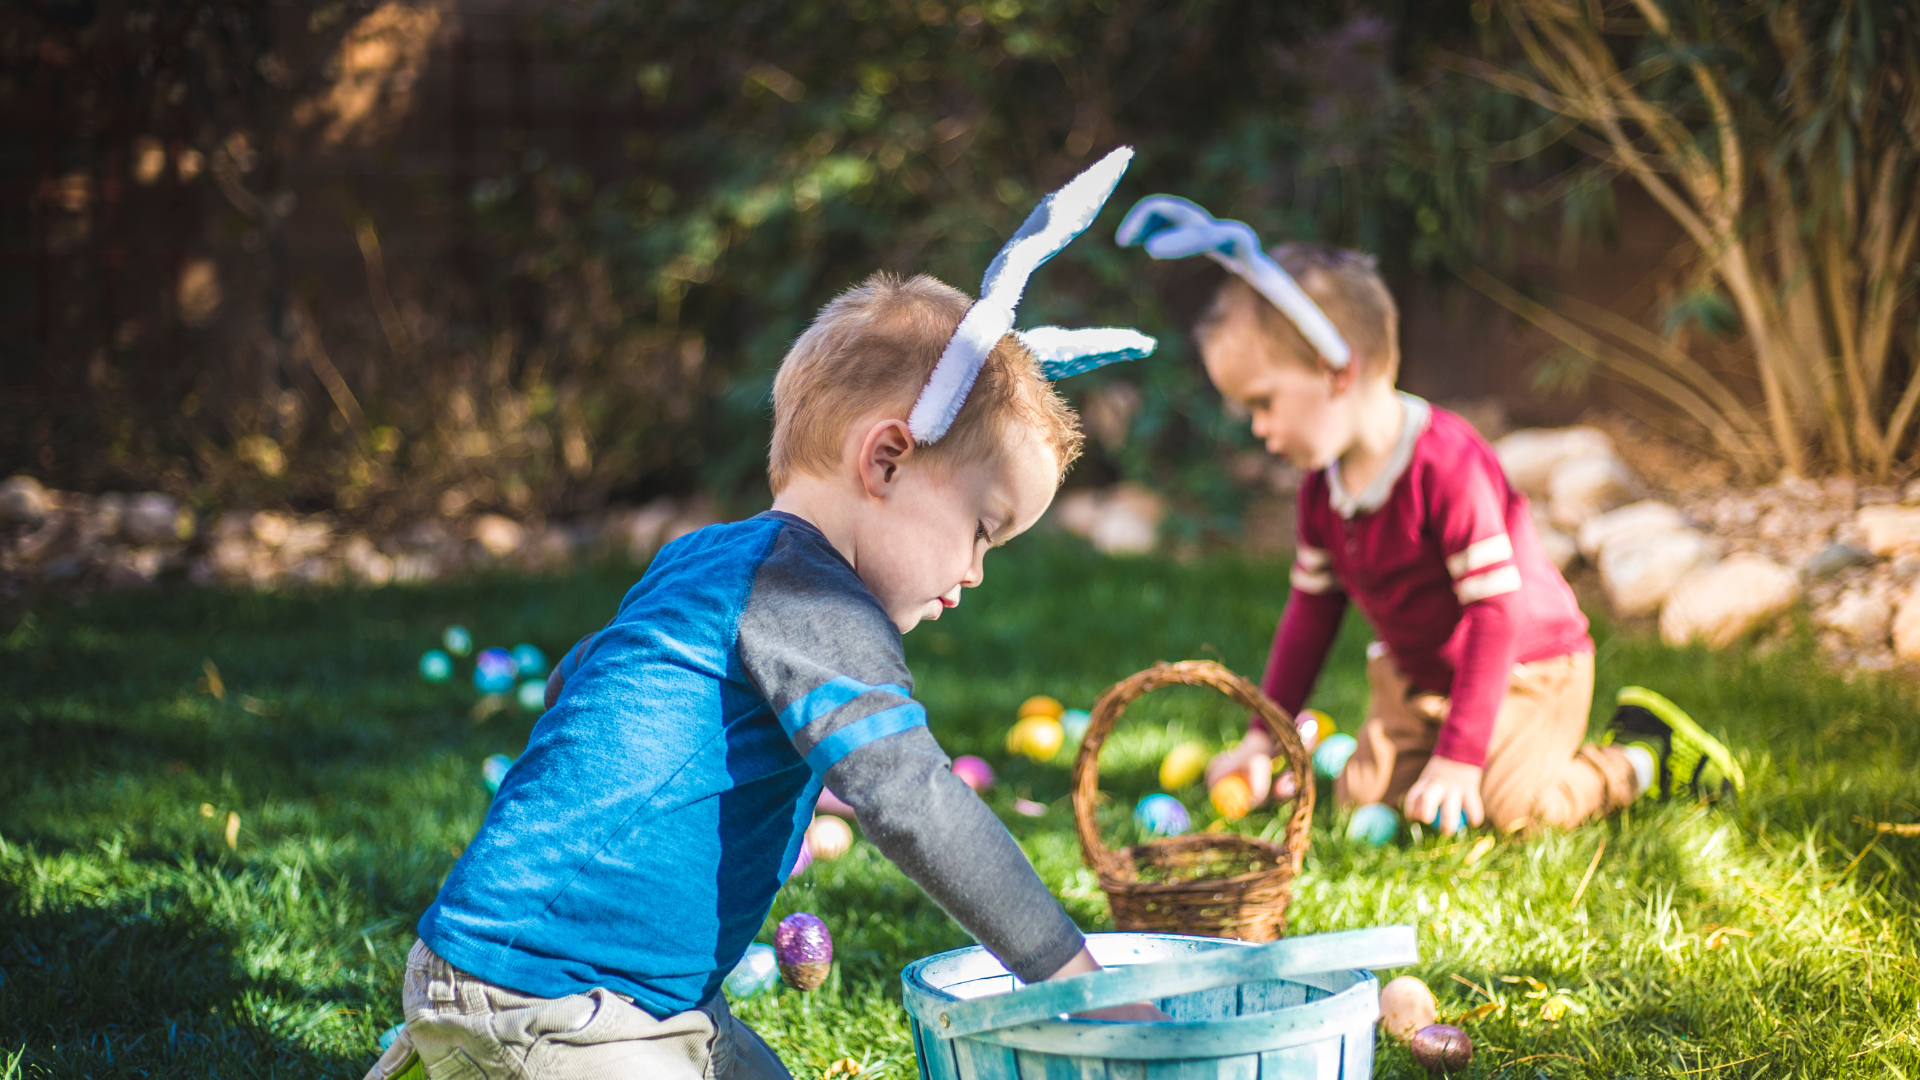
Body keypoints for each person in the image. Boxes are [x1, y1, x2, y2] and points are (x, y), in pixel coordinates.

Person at [365, 150, 1166, 1080]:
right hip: (569, 1004)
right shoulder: (814, 596)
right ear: (888, 460)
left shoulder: (709, 559)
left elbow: (576, 683)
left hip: (576, 987)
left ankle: (454, 1055)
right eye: (981, 530)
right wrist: (1072, 975)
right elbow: (911, 800)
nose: (978, 571)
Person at [1116, 196, 1744, 837]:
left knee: (1515, 811)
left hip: (1528, 666)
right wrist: (1263, 737)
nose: (1258, 427)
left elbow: (1497, 613)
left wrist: (1461, 759)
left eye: (1264, 402)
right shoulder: (1321, 488)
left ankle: (1644, 755)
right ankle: (1432, 750)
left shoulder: (1446, 464)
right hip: (1419, 678)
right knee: (1363, 804)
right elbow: (1310, 616)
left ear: (1337, 372)